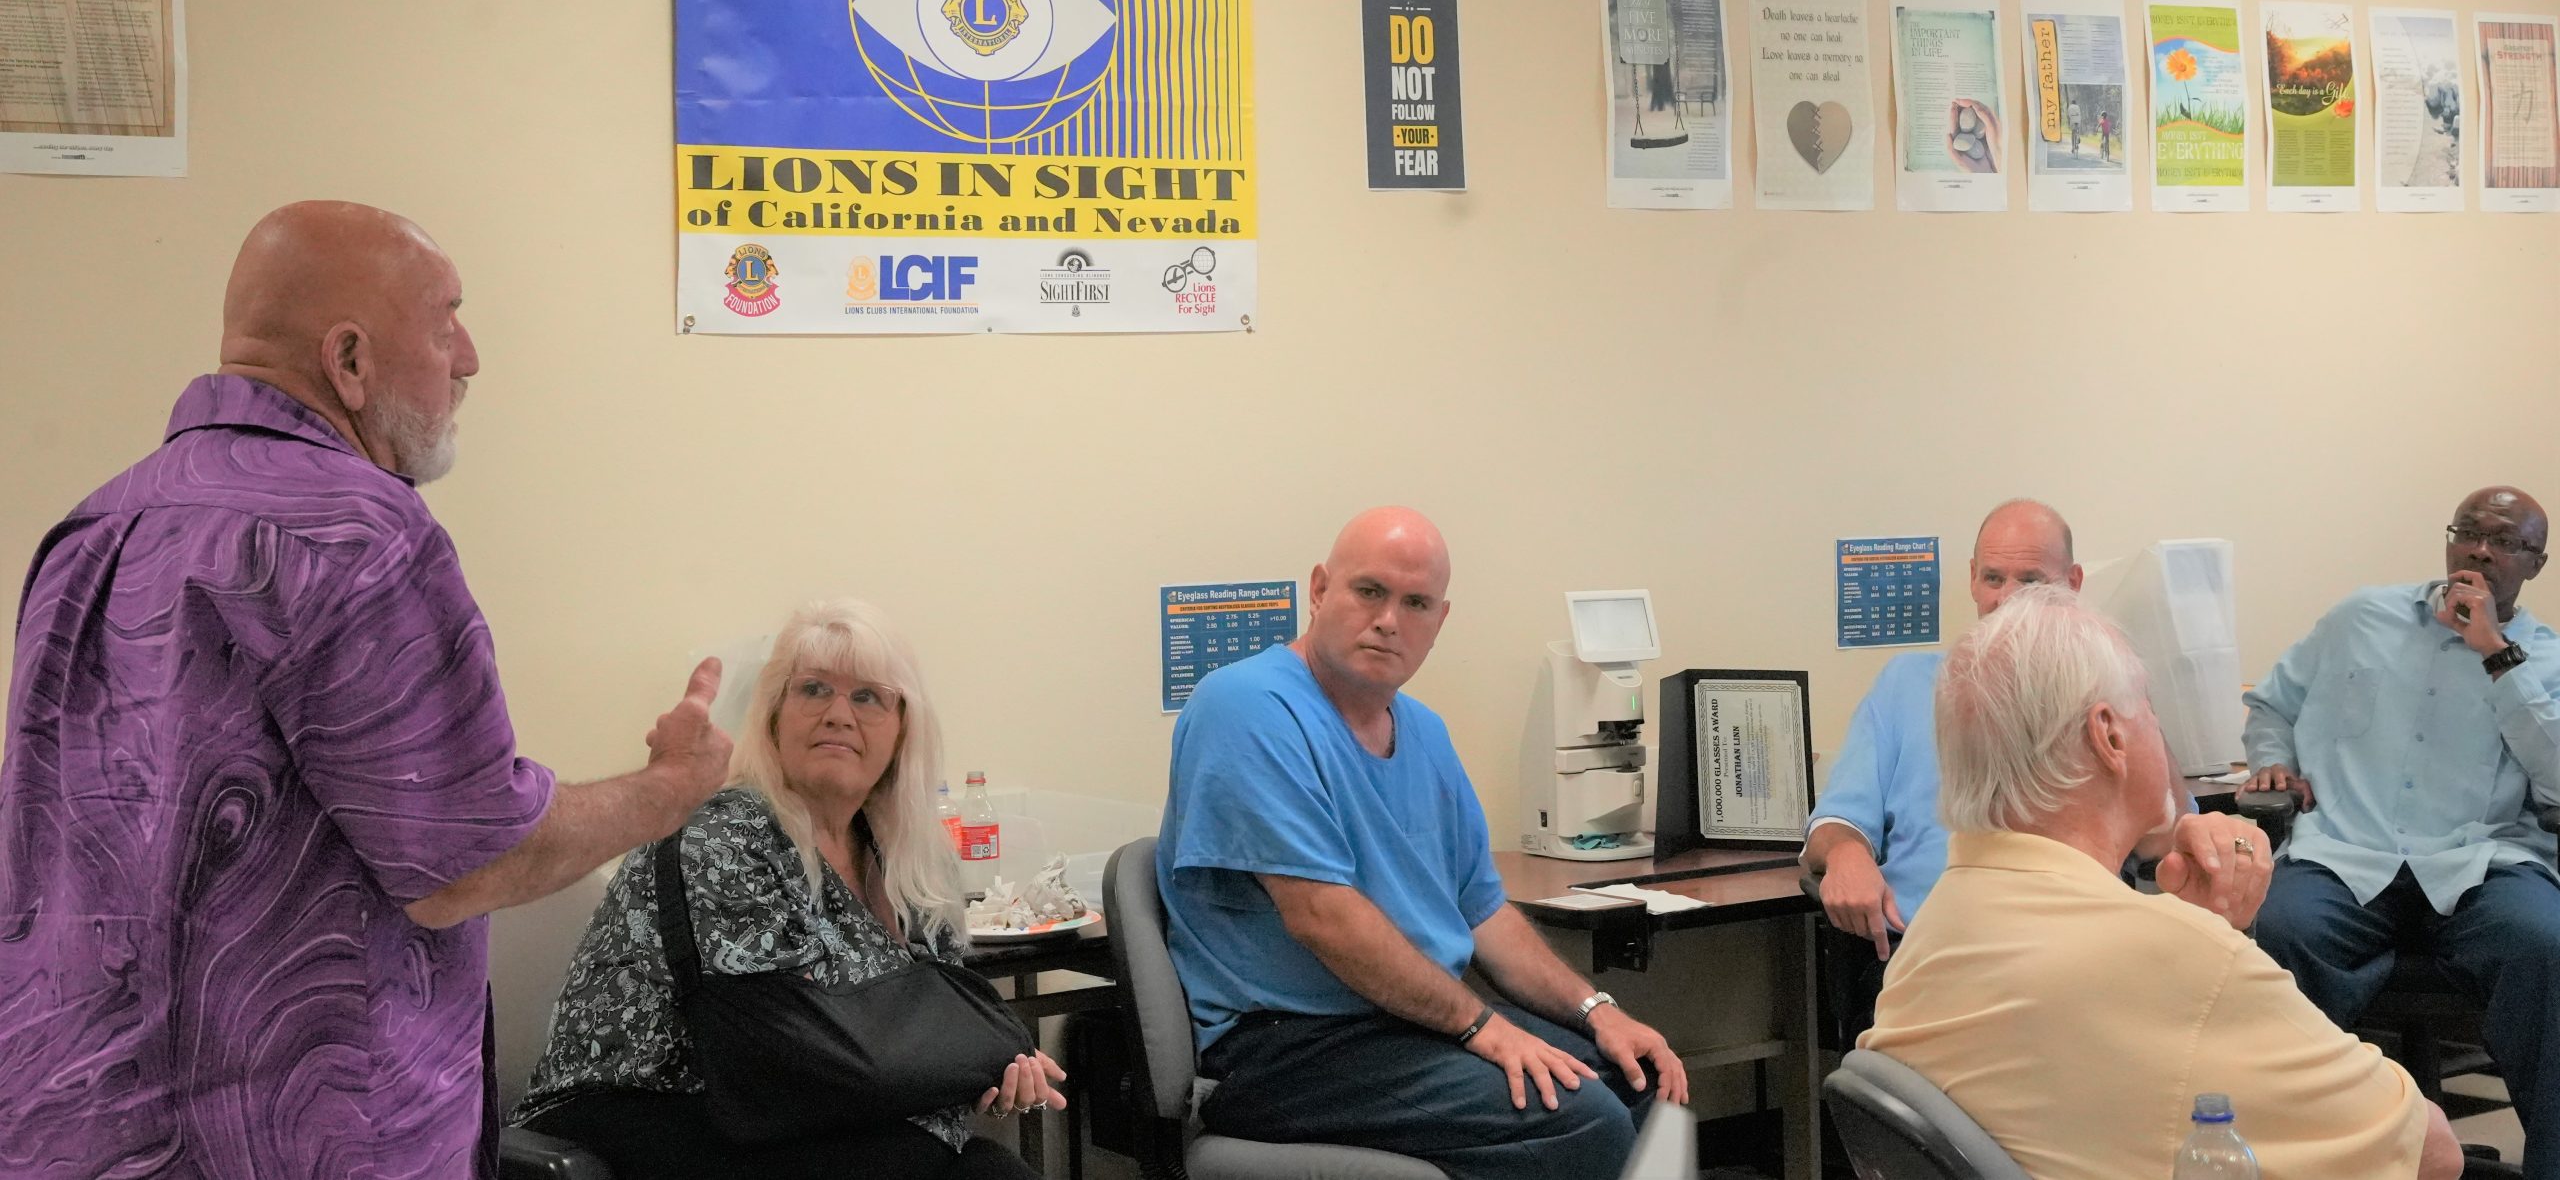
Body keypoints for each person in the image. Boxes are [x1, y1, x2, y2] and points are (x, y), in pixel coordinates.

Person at [0, 201, 735, 1178]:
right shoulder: (358, 531)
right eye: (445, 320)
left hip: (68, 1128)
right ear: (348, 360)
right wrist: (667, 788)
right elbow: (462, 865)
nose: (468, 356)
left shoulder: (91, 528)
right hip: (295, 1140)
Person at [1156, 507, 1688, 1180]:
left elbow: (1484, 912)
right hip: (1285, 1045)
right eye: (1369, 591)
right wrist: (1481, 1026)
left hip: (1409, 1023)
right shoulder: (1247, 706)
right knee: (1578, 1116)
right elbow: (1323, 918)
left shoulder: (1426, 734)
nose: (1388, 619)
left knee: (1640, 1081)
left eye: (1415, 603)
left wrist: (1598, 1010)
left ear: (1439, 621)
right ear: (1319, 590)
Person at [1864, 586, 2463, 1180]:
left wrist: (2202, 938)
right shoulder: (2174, 956)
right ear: (2111, 736)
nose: (2157, 729)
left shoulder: (1934, 934)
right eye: (2149, 710)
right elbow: (2431, 1151)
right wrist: (2210, 951)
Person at [514, 598, 1055, 1179]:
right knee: (912, 1161)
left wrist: (998, 1071)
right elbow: (798, 1050)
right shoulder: (724, 831)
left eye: (868, 696)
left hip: (797, 1118)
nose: (839, 714)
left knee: (993, 1171)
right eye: (814, 690)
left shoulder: (910, 860)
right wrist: (972, 1058)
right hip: (647, 1101)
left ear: (903, 732)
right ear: (774, 717)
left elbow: (933, 1026)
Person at [2244, 485, 2560, 1178]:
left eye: (2504, 541)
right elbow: (2272, 703)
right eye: (2469, 532)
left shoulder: (2545, 657)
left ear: (2536, 563)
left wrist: (2495, 652)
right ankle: (2302, 1156)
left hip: (2478, 864)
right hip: (2347, 852)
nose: (2480, 549)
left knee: (2549, 945)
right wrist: (2274, 762)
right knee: (2275, 932)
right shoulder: (2361, 617)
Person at [1804, 500, 2086, 969]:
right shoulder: (1908, 684)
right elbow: (1836, 821)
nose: (2006, 599)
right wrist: (1846, 853)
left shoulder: (2102, 690)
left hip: (2067, 956)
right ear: (1973, 579)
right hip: (1924, 954)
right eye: (1993, 578)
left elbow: (2162, 830)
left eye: (2031, 581)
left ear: (2071, 585)